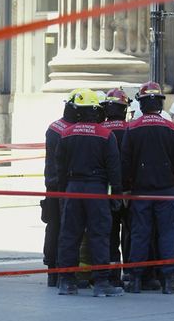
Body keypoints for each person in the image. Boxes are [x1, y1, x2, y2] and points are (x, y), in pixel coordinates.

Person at [121, 81, 174, 294]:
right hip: (167, 191)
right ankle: (169, 280)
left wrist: (125, 188)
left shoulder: (132, 129)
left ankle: (135, 280)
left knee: (140, 234)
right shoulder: (172, 130)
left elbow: (126, 163)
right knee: (168, 234)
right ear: (160, 104)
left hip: (140, 192)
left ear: (141, 104)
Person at [56, 89, 124, 297]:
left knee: (70, 235)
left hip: (73, 189)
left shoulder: (66, 134)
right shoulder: (106, 135)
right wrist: (117, 196)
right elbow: (114, 169)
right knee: (99, 235)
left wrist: (62, 193)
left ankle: (67, 281)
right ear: (96, 110)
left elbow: (59, 168)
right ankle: (101, 282)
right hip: (97, 190)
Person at [42, 89, 79, 287]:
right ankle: (62, 271)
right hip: (64, 185)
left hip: (52, 184)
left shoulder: (54, 127)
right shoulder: (69, 130)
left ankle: (52, 271)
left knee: (53, 227)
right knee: (65, 228)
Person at [101, 88, 131, 287]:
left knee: (109, 234)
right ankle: (129, 273)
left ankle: (112, 276)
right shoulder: (131, 129)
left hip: (105, 193)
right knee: (129, 232)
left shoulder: (100, 130)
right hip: (129, 192)